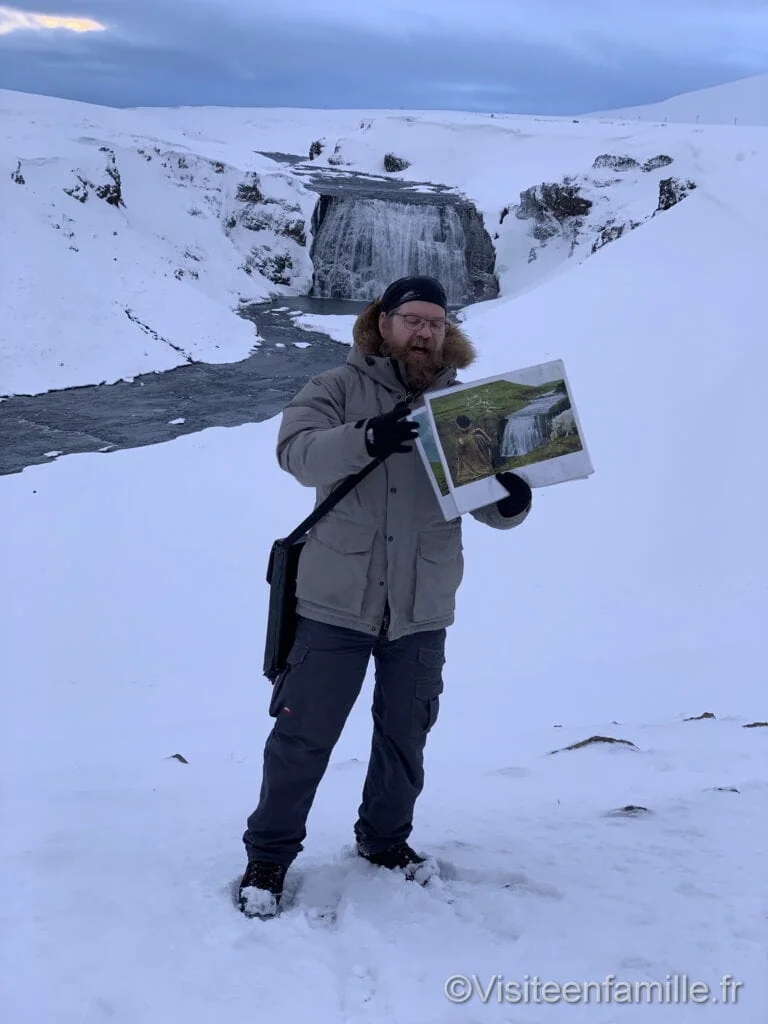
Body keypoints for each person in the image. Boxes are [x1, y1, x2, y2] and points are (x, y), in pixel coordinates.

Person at [238, 275, 533, 918]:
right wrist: (367, 438)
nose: (425, 332)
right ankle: (269, 856)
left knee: (405, 735)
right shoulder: (336, 387)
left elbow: (484, 499)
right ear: (383, 323)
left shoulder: (460, 405)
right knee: (303, 736)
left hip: (422, 604)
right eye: (412, 320)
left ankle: (384, 840)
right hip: (336, 600)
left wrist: (509, 501)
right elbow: (296, 453)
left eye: (436, 322)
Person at [453, 415, 496, 485]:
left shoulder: (460, 442)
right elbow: (491, 444)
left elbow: (458, 456)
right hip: (485, 470)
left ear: (458, 427)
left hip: (468, 475)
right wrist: (481, 431)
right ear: (470, 424)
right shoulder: (478, 437)